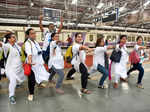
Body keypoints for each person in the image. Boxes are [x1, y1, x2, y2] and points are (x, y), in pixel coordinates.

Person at [24, 28, 50, 101]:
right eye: (32, 33)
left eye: (35, 33)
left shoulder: (35, 42)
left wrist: (42, 61)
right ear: (28, 35)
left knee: (39, 74)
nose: (34, 35)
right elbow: (29, 53)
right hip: (31, 64)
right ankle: (31, 93)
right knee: (31, 80)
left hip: (38, 63)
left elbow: (39, 52)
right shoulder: (27, 43)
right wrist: (29, 61)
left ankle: (39, 84)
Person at [0, 33, 26, 104]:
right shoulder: (7, 46)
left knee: (21, 78)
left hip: (19, 68)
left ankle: (17, 83)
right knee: (13, 81)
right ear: (9, 39)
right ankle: (11, 96)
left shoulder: (17, 46)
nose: (15, 38)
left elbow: (21, 54)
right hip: (10, 68)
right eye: (13, 37)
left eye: (15, 37)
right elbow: (2, 44)